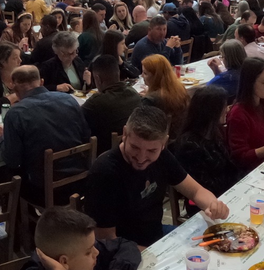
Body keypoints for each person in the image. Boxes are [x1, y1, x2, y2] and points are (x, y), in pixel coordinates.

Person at [86, 105, 230, 247]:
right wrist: (154, 252)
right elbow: (106, 240)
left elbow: (196, 191)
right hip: (125, 251)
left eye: (151, 150)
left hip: (156, 234)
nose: (141, 158)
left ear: (164, 143)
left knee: (222, 245)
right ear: (124, 133)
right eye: (135, 147)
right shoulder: (104, 172)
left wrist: (213, 205)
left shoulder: (163, 157)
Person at [0, 65, 91, 203]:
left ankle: (19, 223)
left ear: (13, 88)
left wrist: (1, 137)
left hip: (45, 189)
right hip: (81, 179)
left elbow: (12, 160)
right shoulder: (69, 100)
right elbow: (86, 136)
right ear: (41, 82)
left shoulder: (16, 114)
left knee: (11, 175)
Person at [172, 85, 237, 199]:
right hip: (205, 202)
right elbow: (203, 186)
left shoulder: (215, 132)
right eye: (223, 106)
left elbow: (229, 166)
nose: (227, 109)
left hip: (226, 192)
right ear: (211, 111)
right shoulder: (189, 145)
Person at [81, 54, 142, 150]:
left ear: (97, 78)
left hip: (105, 152)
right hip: (132, 147)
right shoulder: (134, 93)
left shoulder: (96, 102)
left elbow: (78, 119)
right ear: (118, 73)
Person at [140, 54, 190, 137]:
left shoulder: (150, 100)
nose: (142, 76)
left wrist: (149, 96)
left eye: (145, 73)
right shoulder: (180, 89)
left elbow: (143, 128)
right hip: (180, 137)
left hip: (159, 141)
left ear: (156, 77)